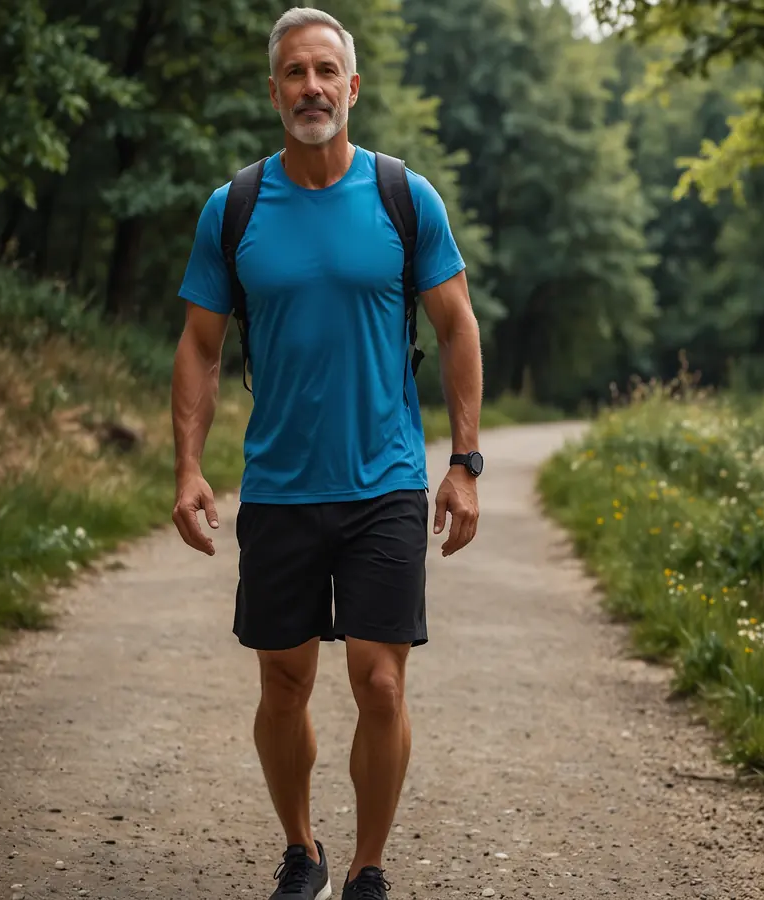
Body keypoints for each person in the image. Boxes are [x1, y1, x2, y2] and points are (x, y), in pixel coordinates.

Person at [168, 7, 484, 899]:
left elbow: (457, 327)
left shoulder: (403, 196)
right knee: (283, 685)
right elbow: (199, 345)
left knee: (379, 685)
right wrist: (189, 469)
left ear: (353, 87)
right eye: (294, 74)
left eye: (325, 73)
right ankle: (301, 847)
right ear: (275, 91)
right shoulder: (233, 209)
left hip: (384, 479)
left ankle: (368, 867)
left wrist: (464, 462)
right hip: (278, 485)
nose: (311, 88)